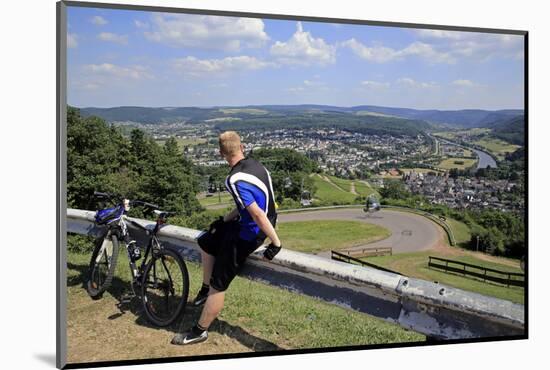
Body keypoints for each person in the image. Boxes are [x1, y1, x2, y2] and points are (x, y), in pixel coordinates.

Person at [171, 131, 282, 345]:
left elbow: (257, 213)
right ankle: (204, 290)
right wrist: (223, 220)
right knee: (206, 240)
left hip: (250, 233)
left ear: (221, 153)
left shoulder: (233, 179)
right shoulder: (258, 166)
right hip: (254, 222)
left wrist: (275, 243)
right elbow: (246, 206)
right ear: (242, 147)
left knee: (218, 284)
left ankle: (199, 330)